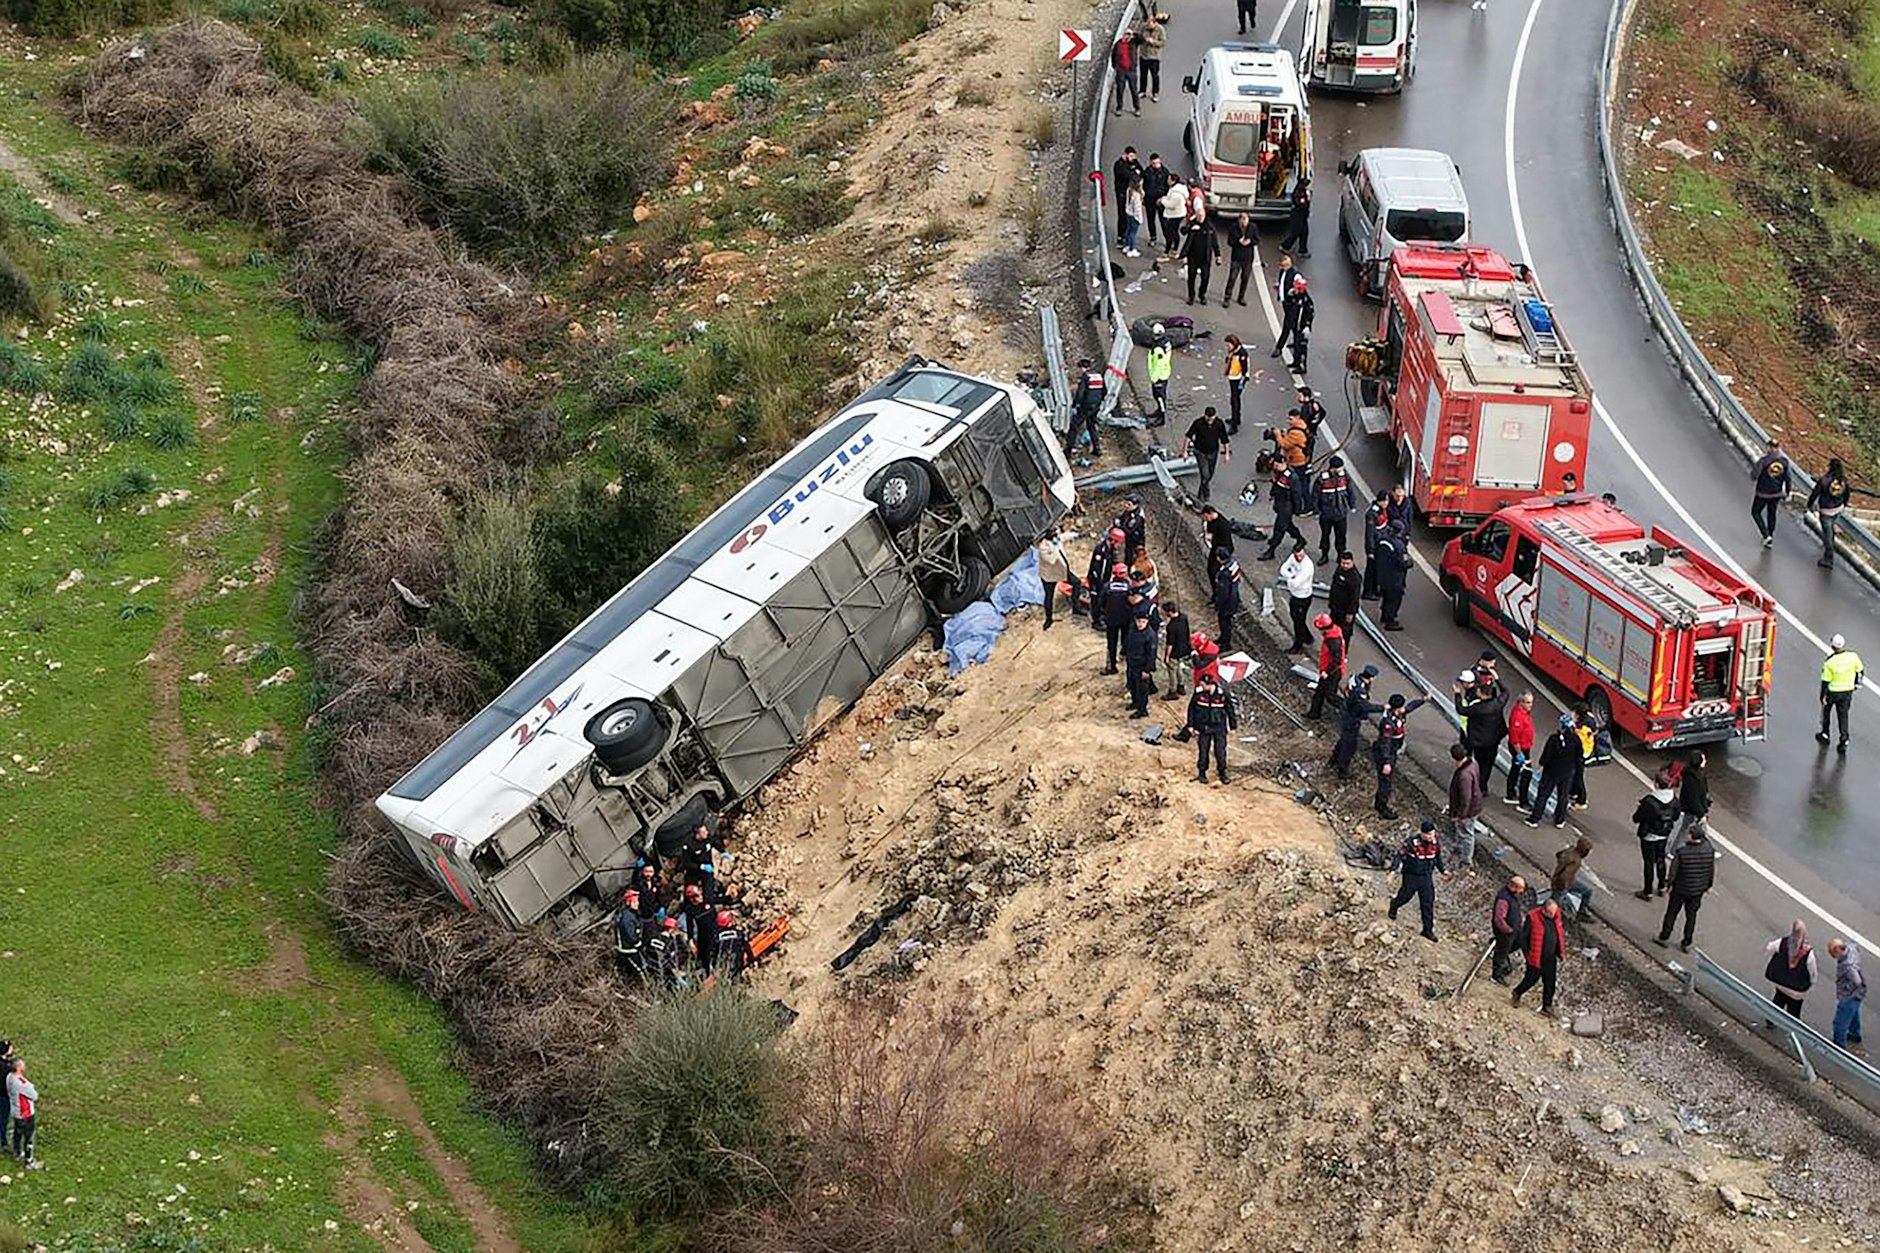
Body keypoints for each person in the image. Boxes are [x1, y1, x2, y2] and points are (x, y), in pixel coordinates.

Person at [1654, 822, 1715, 952]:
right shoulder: (1709, 850)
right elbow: (1711, 870)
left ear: (1692, 837)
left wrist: (1668, 885)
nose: (1687, 835)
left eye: (1689, 834)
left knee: (1671, 913)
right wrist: (1708, 885)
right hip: (1697, 890)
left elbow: (1673, 872)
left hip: (1680, 889)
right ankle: (1686, 942)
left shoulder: (1682, 852)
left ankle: (1664, 937)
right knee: (1691, 916)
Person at [1387, 820, 1448, 942]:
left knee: (1428, 903)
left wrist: (1443, 870)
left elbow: (1437, 857)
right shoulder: (1412, 843)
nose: (1432, 837)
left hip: (1426, 876)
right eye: (1429, 835)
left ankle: (1427, 930)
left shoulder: (1435, 843)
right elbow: (1399, 855)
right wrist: (1393, 871)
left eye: (1433, 834)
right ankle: (1394, 905)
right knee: (1405, 896)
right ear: (1423, 834)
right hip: (1411, 875)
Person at [1372, 692, 1427, 819]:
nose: (1404, 708)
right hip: (1386, 753)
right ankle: (1381, 807)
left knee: (1388, 781)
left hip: (1393, 750)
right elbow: (1384, 743)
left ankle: (1381, 803)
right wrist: (1386, 762)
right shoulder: (1388, 723)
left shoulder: (1398, 713)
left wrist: (1423, 700)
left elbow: (1410, 707)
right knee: (1386, 782)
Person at [1454, 670, 1509, 798]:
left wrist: (1457, 694)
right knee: (1487, 765)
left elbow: (1461, 710)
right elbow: (1506, 692)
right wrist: (1498, 679)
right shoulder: (1498, 703)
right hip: (1494, 740)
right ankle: (1482, 787)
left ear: (1482, 694)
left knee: (1478, 763)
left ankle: (1473, 786)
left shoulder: (1478, 708)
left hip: (1480, 741)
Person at [1525, 714, 1582, 829]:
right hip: (1567, 772)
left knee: (1543, 795)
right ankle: (1559, 820)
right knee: (1563, 796)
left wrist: (1541, 765)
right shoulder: (1576, 739)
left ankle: (1534, 819)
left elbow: (1546, 756)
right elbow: (1579, 755)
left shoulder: (1554, 739)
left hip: (1551, 772)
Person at [1804, 457, 1863, 569]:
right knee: (1830, 530)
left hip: (1826, 510)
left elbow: (1815, 494)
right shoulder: (1843, 481)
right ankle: (1829, 546)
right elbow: (1847, 495)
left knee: (1827, 534)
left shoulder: (1824, 480)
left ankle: (1828, 557)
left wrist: (1809, 505)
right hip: (1837, 509)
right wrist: (1843, 505)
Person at [1511, 898, 1566, 1014]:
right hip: (1536, 956)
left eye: (1554, 912)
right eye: (1551, 913)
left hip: (1550, 956)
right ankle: (1517, 992)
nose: (1553, 915)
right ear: (1544, 910)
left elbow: (1559, 932)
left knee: (1550, 982)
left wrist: (1559, 951)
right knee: (1530, 980)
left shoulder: (1556, 916)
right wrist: (1528, 954)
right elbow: (1523, 938)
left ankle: (1547, 1006)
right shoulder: (1532, 918)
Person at [1329, 664, 1382, 778]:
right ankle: (1342, 770)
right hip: (1352, 717)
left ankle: (1333, 759)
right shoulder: (1360, 691)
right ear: (1371, 677)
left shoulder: (1355, 678)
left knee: (1344, 739)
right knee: (1349, 746)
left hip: (1347, 710)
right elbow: (1366, 706)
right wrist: (1382, 708)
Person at [1187, 668, 1238, 783]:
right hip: (1203, 727)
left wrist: (1233, 726)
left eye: (1203, 684)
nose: (1201, 686)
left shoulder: (1222, 694)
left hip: (1219, 727)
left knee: (1220, 751)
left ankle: (1222, 772)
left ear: (1209, 685)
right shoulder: (1199, 693)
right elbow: (1192, 709)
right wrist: (1191, 725)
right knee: (1203, 750)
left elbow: (1230, 709)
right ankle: (1202, 773)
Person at [1631, 778, 1678, 899]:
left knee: (1649, 863)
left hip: (1649, 835)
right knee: (1661, 859)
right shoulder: (1674, 800)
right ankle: (1662, 886)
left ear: (1656, 784)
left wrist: (1639, 809)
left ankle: (1648, 891)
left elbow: (1636, 818)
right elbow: (1676, 816)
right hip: (1664, 834)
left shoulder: (1649, 801)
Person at [1817, 632, 1863, 753]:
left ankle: (1825, 733)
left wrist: (1822, 696)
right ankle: (1844, 739)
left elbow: (1825, 681)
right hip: (1847, 692)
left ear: (1832, 646)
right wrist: (1857, 684)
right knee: (1843, 716)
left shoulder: (1830, 662)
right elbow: (1860, 670)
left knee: (1826, 712)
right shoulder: (1853, 656)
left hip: (1833, 692)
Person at [1764, 919, 1818, 1020]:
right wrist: (1811, 984)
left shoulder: (1782, 942)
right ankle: (1792, 1030)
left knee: (1778, 1000)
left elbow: (1769, 948)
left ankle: (1770, 1020)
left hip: (1780, 982)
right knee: (1794, 1010)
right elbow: (1812, 973)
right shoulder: (1808, 954)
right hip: (1797, 990)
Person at [1445, 742, 1487, 868]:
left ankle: (1466, 860)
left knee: (1467, 833)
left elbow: (1465, 798)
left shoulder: (1464, 775)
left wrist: (1460, 815)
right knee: (1462, 830)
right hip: (1475, 804)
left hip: (1468, 810)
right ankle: (1458, 847)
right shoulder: (1473, 763)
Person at [1257, 454, 1307, 559]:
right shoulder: (1277, 473)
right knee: (1288, 525)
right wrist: (1272, 494)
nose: (1275, 467)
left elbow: (1297, 494)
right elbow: (1276, 485)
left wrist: (1298, 509)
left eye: (1277, 465)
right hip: (1279, 503)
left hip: (1287, 505)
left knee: (1279, 528)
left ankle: (1271, 550)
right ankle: (1300, 539)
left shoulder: (1291, 477)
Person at [1749, 436, 1792, 548]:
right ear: (1778, 448)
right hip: (1776, 493)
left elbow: (1754, 476)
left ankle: (1766, 534)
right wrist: (1787, 491)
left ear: (1768, 447)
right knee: (1771, 514)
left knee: (1755, 512)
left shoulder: (1764, 461)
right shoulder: (1785, 462)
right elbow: (1788, 478)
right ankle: (1770, 538)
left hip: (1762, 493)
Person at [1184, 405, 1231, 502]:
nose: (1209, 420)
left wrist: (1227, 453)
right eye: (1208, 418)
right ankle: (1202, 496)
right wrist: (1184, 451)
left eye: (1211, 418)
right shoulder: (1198, 423)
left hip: (1213, 452)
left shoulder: (1219, 424)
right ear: (1204, 415)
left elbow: (1224, 439)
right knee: (1205, 474)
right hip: (1200, 452)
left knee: (1210, 474)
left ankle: (1204, 490)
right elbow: (1188, 436)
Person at [1828, 938, 1866, 1056]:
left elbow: (1856, 981)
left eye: (1834, 954)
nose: (1835, 958)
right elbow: (1855, 944)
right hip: (1859, 993)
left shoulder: (1847, 966)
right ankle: (1855, 1034)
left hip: (1849, 995)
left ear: (1837, 950)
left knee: (1840, 1022)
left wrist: (1846, 989)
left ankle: (1838, 1046)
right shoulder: (1851, 948)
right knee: (1854, 1013)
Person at [1374, 520, 1412, 631]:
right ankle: (1390, 621)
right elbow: (1404, 563)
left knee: (1386, 597)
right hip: (1395, 578)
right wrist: (1410, 562)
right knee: (1394, 600)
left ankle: (1384, 615)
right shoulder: (1399, 545)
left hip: (1382, 575)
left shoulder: (1382, 540)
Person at [1278, 541, 1315, 653]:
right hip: (1295, 594)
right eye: (1296, 555)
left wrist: (1290, 579)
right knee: (1297, 618)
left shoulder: (1308, 566)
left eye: (1301, 555)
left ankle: (1298, 644)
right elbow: (1283, 569)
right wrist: (1291, 576)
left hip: (1303, 597)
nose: (1298, 558)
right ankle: (1307, 637)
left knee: (1298, 621)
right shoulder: (1293, 558)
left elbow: (1296, 583)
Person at [1491, 875, 1527, 984]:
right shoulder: (1504, 898)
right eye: (1521, 889)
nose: (1522, 892)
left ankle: (1504, 966)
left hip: (1513, 931)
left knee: (1514, 945)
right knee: (1501, 952)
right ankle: (1496, 976)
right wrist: (1507, 930)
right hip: (1505, 932)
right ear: (1515, 887)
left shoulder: (1512, 896)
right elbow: (1499, 918)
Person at [1308, 612, 1344, 719]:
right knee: (1319, 693)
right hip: (1329, 670)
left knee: (1330, 696)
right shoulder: (1334, 633)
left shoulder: (1332, 641)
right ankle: (1314, 713)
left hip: (1332, 672)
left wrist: (1326, 672)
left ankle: (1348, 708)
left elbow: (1337, 660)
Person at [1068, 356, 1106, 457]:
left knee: (1074, 426)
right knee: (1091, 426)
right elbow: (1104, 391)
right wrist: (1098, 402)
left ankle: (1068, 451)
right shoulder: (1099, 376)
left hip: (1086, 406)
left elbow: (1080, 394)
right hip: (1096, 406)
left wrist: (1075, 405)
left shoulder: (1086, 377)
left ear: (1083, 368)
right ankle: (1097, 449)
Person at [1275, 275, 1315, 372]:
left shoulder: (1306, 301)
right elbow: (1289, 305)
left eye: (1296, 288)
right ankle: (1295, 362)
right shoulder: (1295, 296)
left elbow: (1310, 314)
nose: (1295, 289)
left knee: (1301, 347)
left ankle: (1301, 366)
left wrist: (1307, 326)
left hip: (1302, 327)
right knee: (1296, 345)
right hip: (1294, 324)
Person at [1504, 691, 1536, 808]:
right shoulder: (1518, 717)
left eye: (1531, 702)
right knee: (1527, 774)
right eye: (1527, 702)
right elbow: (1514, 738)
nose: (1530, 705)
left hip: (1524, 747)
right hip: (1521, 749)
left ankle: (1511, 793)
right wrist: (1519, 753)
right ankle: (1523, 802)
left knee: (1515, 769)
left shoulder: (1523, 712)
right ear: (1520, 702)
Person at [1125, 609, 1158, 718]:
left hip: (1142, 666)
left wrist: (1147, 670)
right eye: (1139, 621)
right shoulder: (1132, 629)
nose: (1140, 624)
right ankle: (1135, 702)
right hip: (1131, 663)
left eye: (1143, 622)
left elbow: (1151, 654)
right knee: (1132, 684)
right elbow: (1128, 642)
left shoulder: (1150, 635)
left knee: (1142, 689)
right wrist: (1123, 653)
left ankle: (1142, 709)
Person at [1551, 834, 1595, 915]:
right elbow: (1564, 877)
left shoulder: (1570, 850)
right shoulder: (1576, 861)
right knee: (1553, 907)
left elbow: (1558, 854)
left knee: (1588, 891)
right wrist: (1564, 888)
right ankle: (1582, 912)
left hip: (1560, 880)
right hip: (1562, 885)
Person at [1182, 215, 1222, 305]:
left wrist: (1217, 255)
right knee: (1191, 277)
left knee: (1205, 278)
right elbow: (1183, 231)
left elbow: (1214, 242)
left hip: (1205, 258)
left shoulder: (1210, 227)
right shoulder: (1192, 224)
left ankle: (1202, 295)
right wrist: (1191, 228)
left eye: (1201, 216)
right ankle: (1191, 296)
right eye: (1198, 216)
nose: (1199, 218)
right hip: (1193, 257)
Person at [1036, 527, 1070, 629]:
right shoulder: (1043, 547)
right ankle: (1048, 619)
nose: (1056, 535)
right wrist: (1055, 548)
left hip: (1061, 571)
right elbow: (1051, 560)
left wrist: (1077, 535)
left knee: (1076, 583)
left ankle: (1076, 608)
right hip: (1049, 576)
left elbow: (1064, 537)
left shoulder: (1056, 540)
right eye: (1053, 533)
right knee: (1049, 597)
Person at [1102, 561, 1133, 673]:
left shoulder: (1107, 587)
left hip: (1111, 619)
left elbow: (1102, 602)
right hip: (1126, 620)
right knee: (1127, 641)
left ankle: (1111, 667)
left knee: (1111, 644)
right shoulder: (1130, 588)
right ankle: (1126, 663)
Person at [6, 1060, 36, 1168]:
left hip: (16, 1111)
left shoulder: (10, 1077)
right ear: (18, 1068)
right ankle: (29, 1160)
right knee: (29, 1136)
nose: (25, 1065)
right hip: (25, 1113)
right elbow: (34, 1096)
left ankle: (17, 1153)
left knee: (17, 1134)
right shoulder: (22, 1084)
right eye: (23, 1064)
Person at [1674, 749, 1711, 837]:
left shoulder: (1697, 774)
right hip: (1693, 811)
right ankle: (1675, 849)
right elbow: (1693, 798)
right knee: (1687, 831)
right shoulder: (1692, 779)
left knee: (1686, 830)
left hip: (1696, 810)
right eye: (1703, 759)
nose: (1705, 761)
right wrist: (1701, 814)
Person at [1211, 548, 1244, 648]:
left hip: (1228, 602)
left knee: (1224, 622)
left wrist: (1218, 605)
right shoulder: (1233, 564)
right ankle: (1223, 638)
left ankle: (1226, 644)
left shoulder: (1225, 573)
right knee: (1226, 622)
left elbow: (1223, 593)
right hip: (1234, 597)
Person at [1223, 212, 1257, 308]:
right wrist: (1238, 241)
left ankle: (1241, 297)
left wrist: (1250, 241)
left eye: (1245, 219)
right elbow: (1230, 241)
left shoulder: (1253, 227)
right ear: (1239, 220)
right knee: (1232, 278)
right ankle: (1227, 297)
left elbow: (1257, 240)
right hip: (1236, 257)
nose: (1244, 222)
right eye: (1242, 219)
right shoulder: (1234, 228)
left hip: (1248, 258)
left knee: (1245, 278)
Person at [1326, 550, 1361, 639]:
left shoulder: (1355, 577)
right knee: (1332, 629)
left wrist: (1350, 612)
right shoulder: (1339, 570)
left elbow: (1355, 597)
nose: (1345, 565)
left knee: (1344, 633)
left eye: (1347, 563)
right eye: (1343, 563)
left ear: (1352, 562)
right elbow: (1334, 587)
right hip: (1336, 607)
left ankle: (1342, 651)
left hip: (1345, 610)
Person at [1162, 599, 1192, 700]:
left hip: (1175, 652)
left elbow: (1170, 643)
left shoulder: (1171, 626)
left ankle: (1172, 691)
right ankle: (1181, 686)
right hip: (1184, 648)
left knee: (1172, 671)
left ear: (1169, 612)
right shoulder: (1184, 617)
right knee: (1179, 667)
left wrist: (1166, 656)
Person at [613, 890, 647, 979]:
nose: (637, 904)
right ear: (628, 902)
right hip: (628, 951)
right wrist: (639, 944)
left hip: (628, 951)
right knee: (640, 972)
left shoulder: (631, 914)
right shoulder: (627, 918)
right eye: (635, 901)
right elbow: (630, 936)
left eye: (637, 901)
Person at [1361, 489, 1388, 600]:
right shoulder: (1372, 514)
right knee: (1371, 570)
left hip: (1380, 544)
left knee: (1378, 569)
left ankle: (1375, 589)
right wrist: (1370, 551)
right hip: (1374, 546)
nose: (1387, 503)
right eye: (1385, 501)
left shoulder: (1382, 511)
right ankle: (1368, 591)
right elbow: (1370, 534)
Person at [710, 910, 754, 977]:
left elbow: (713, 953)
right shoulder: (739, 934)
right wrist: (751, 960)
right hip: (737, 965)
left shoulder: (716, 937)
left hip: (723, 968)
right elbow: (747, 948)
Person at [1222, 334, 1251, 432]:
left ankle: (1234, 426)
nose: (1227, 347)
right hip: (1233, 377)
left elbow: (1245, 369)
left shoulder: (1241, 354)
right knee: (1234, 400)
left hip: (1238, 379)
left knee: (1234, 401)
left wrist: (1242, 382)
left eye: (1228, 345)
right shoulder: (1233, 352)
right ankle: (1236, 418)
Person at [1291, 386, 1328, 461]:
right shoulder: (1315, 404)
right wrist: (1316, 423)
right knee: (1309, 452)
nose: (1299, 398)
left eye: (1300, 396)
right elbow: (1323, 413)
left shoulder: (1306, 408)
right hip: (1313, 432)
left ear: (1306, 396)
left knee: (1304, 452)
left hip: (1307, 434)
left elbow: (1303, 422)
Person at [1136, 11, 1166, 100]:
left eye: (1149, 24)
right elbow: (1139, 38)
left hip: (1154, 57)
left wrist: (1153, 42)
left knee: (1155, 76)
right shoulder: (1143, 28)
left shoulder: (1160, 30)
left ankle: (1155, 93)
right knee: (1143, 75)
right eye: (1147, 24)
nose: (1147, 26)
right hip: (1143, 55)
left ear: (1154, 22)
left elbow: (1162, 42)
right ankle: (1142, 91)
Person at [1145, 331, 1173, 425]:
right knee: (1159, 396)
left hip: (1159, 376)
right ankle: (1159, 411)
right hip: (1164, 373)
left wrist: (1154, 378)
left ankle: (1161, 418)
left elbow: (1158, 365)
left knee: (1159, 396)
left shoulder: (1158, 349)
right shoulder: (1165, 342)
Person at [1279, 176, 1311, 257]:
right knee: (1296, 232)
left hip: (1301, 214)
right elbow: (1300, 203)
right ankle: (1285, 246)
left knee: (1304, 232)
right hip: (1298, 214)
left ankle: (1302, 250)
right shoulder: (1299, 191)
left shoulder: (1302, 190)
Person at [1110, 35, 1140, 116]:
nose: (1127, 37)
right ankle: (1119, 107)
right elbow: (1113, 55)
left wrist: (1133, 33)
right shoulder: (1118, 44)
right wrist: (1115, 66)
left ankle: (1137, 108)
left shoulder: (1133, 43)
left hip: (1131, 70)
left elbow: (1141, 39)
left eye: (1128, 35)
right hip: (1121, 70)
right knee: (1120, 90)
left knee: (1134, 90)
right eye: (1125, 35)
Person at [1159, 178, 1189, 259]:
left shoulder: (1176, 194)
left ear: (1173, 181)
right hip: (1179, 214)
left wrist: (1162, 200)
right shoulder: (1178, 189)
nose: (1167, 181)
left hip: (1175, 215)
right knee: (1174, 232)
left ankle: (1167, 251)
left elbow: (1171, 205)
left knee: (1170, 233)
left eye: (1168, 179)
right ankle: (1174, 249)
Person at [1115, 494, 1149, 565]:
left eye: (1129, 504)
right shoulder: (1129, 511)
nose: (1126, 506)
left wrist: (1120, 525)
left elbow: (1129, 530)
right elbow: (1121, 518)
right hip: (1130, 539)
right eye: (1126, 503)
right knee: (1127, 554)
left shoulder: (1137, 518)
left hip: (1135, 541)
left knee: (1132, 559)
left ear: (1135, 505)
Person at [1120, 171, 1145, 257]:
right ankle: (1131, 249)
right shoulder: (1137, 195)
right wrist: (1139, 219)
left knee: (1128, 230)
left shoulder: (1129, 190)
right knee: (1133, 233)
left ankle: (1127, 246)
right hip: (1134, 216)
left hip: (1128, 213)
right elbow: (1137, 208)